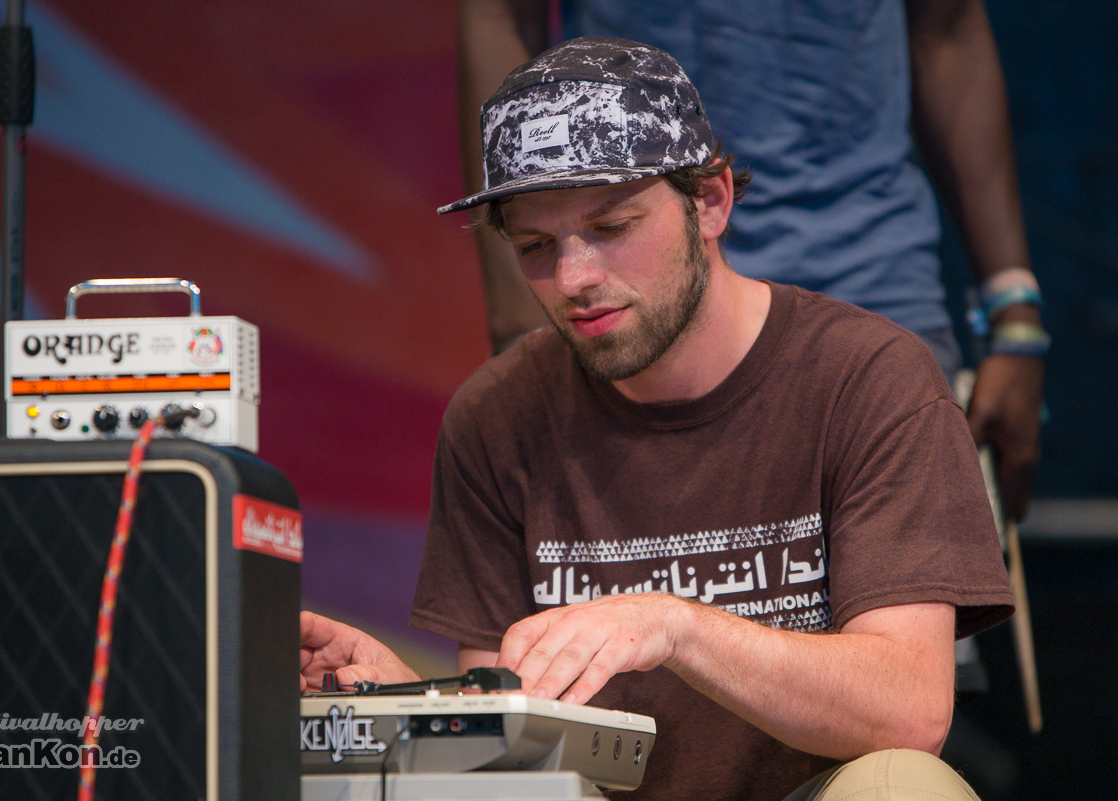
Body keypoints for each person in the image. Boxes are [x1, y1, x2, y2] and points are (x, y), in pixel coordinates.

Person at [301, 39, 1014, 801]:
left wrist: (675, 626)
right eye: (537, 245)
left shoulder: (869, 377)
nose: (574, 278)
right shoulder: (496, 416)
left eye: (611, 227)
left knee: (904, 787)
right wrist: (408, 705)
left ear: (709, 202)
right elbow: (515, 744)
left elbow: (909, 709)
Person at [456, 0, 1046, 530]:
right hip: (640, 304)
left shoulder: (889, 362)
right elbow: (500, 15)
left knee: (917, 615)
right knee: (618, 623)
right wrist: (524, 338)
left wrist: (1014, 310)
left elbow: (948, 29)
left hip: (869, 273)